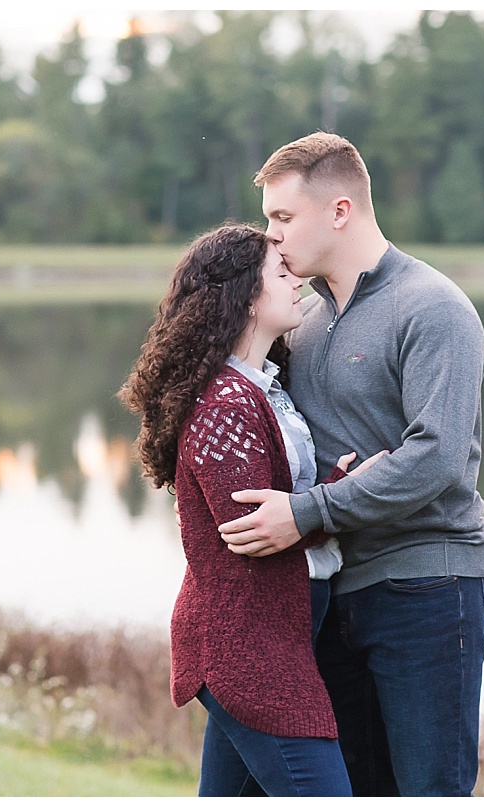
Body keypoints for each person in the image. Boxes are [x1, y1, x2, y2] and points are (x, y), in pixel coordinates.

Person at [214, 131, 484, 797]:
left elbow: (434, 458)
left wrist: (307, 512)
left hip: (430, 586)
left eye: (283, 218)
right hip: (336, 593)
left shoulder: (433, 307)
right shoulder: (301, 324)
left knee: (429, 789)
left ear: (339, 211)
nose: (272, 237)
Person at [119, 222, 384, 797]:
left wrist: (331, 489)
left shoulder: (262, 387)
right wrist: (344, 498)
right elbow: (251, 531)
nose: (299, 284)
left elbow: (280, 506)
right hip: (246, 647)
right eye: (281, 274)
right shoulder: (223, 405)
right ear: (242, 296)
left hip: (270, 636)